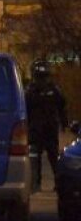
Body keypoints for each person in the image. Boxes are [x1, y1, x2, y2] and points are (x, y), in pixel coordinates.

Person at [26, 58, 69, 191]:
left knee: (50, 157)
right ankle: (37, 183)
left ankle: (49, 183)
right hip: (39, 129)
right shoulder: (31, 91)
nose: (42, 81)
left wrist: (64, 123)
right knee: (37, 158)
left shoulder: (49, 90)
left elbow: (62, 106)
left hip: (45, 128)